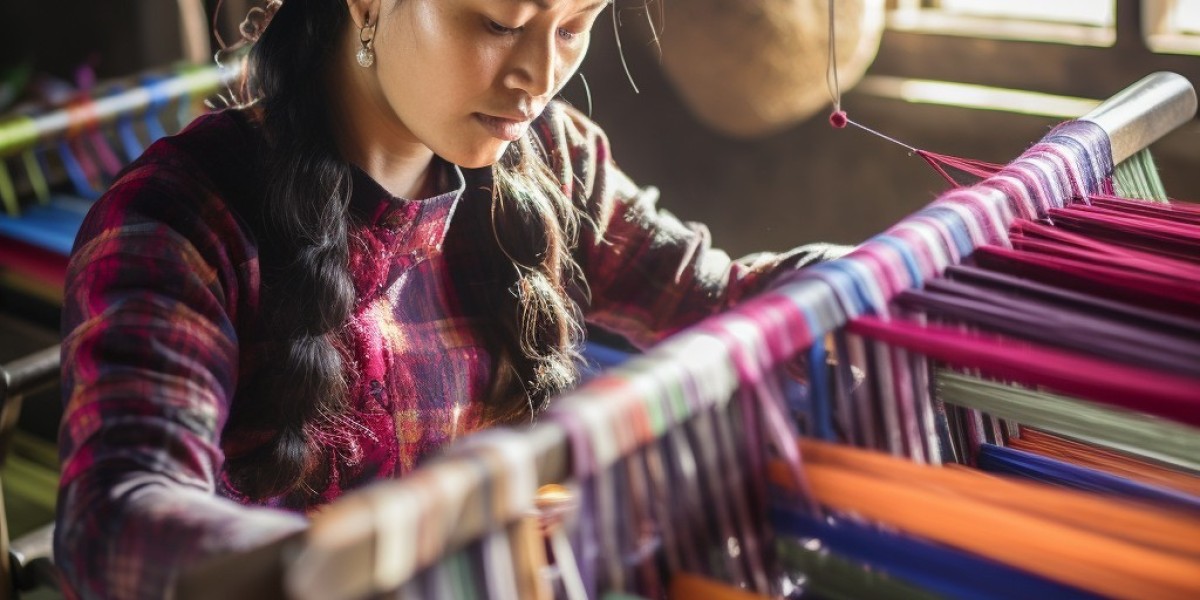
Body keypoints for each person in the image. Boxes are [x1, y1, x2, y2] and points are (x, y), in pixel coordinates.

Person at [55, 0, 847, 598]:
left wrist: (862, 283)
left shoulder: (553, 163)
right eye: (501, 24)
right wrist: (375, 559)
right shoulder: (181, 222)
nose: (538, 78)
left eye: (574, 27)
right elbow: (118, 516)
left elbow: (721, 297)